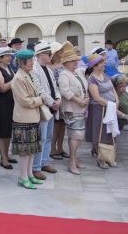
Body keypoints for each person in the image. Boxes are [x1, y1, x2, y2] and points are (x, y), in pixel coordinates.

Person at [11, 49, 44, 189]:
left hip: (32, 117)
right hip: (23, 118)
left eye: (32, 60)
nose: (32, 63)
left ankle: (29, 174)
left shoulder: (28, 74)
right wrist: (40, 100)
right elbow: (25, 101)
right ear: (22, 63)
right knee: (25, 152)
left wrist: (37, 99)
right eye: (30, 61)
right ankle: (22, 177)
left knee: (31, 149)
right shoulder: (18, 78)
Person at [57, 43, 89, 174]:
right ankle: (72, 162)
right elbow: (65, 92)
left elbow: (85, 86)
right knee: (75, 135)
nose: (75, 63)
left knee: (79, 136)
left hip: (81, 108)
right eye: (72, 61)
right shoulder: (63, 74)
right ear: (65, 63)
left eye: (75, 60)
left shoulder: (77, 72)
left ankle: (74, 159)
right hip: (71, 109)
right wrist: (79, 101)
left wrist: (86, 98)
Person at [30, 41, 60, 179]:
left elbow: (55, 86)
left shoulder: (48, 69)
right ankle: (35, 167)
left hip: (52, 108)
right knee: (41, 138)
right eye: (48, 54)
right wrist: (52, 102)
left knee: (48, 137)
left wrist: (58, 99)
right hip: (43, 108)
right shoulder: (34, 69)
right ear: (40, 55)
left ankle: (44, 162)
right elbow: (39, 90)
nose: (50, 56)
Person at [85, 53, 118, 169]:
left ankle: (109, 156)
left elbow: (113, 90)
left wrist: (116, 101)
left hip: (110, 108)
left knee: (110, 132)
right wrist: (110, 104)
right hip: (99, 109)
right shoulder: (92, 79)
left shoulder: (105, 75)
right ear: (94, 65)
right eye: (101, 63)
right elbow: (96, 97)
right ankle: (101, 157)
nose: (104, 64)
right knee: (100, 133)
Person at [0, 47, 17, 168]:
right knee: (2, 132)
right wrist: (16, 79)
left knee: (8, 130)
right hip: (1, 103)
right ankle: (3, 158)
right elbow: (2, 88)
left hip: (11, 102)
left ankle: (6, 155)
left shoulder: (9, 68)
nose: (10, 57)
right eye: (7, 56)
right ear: (0, 58)